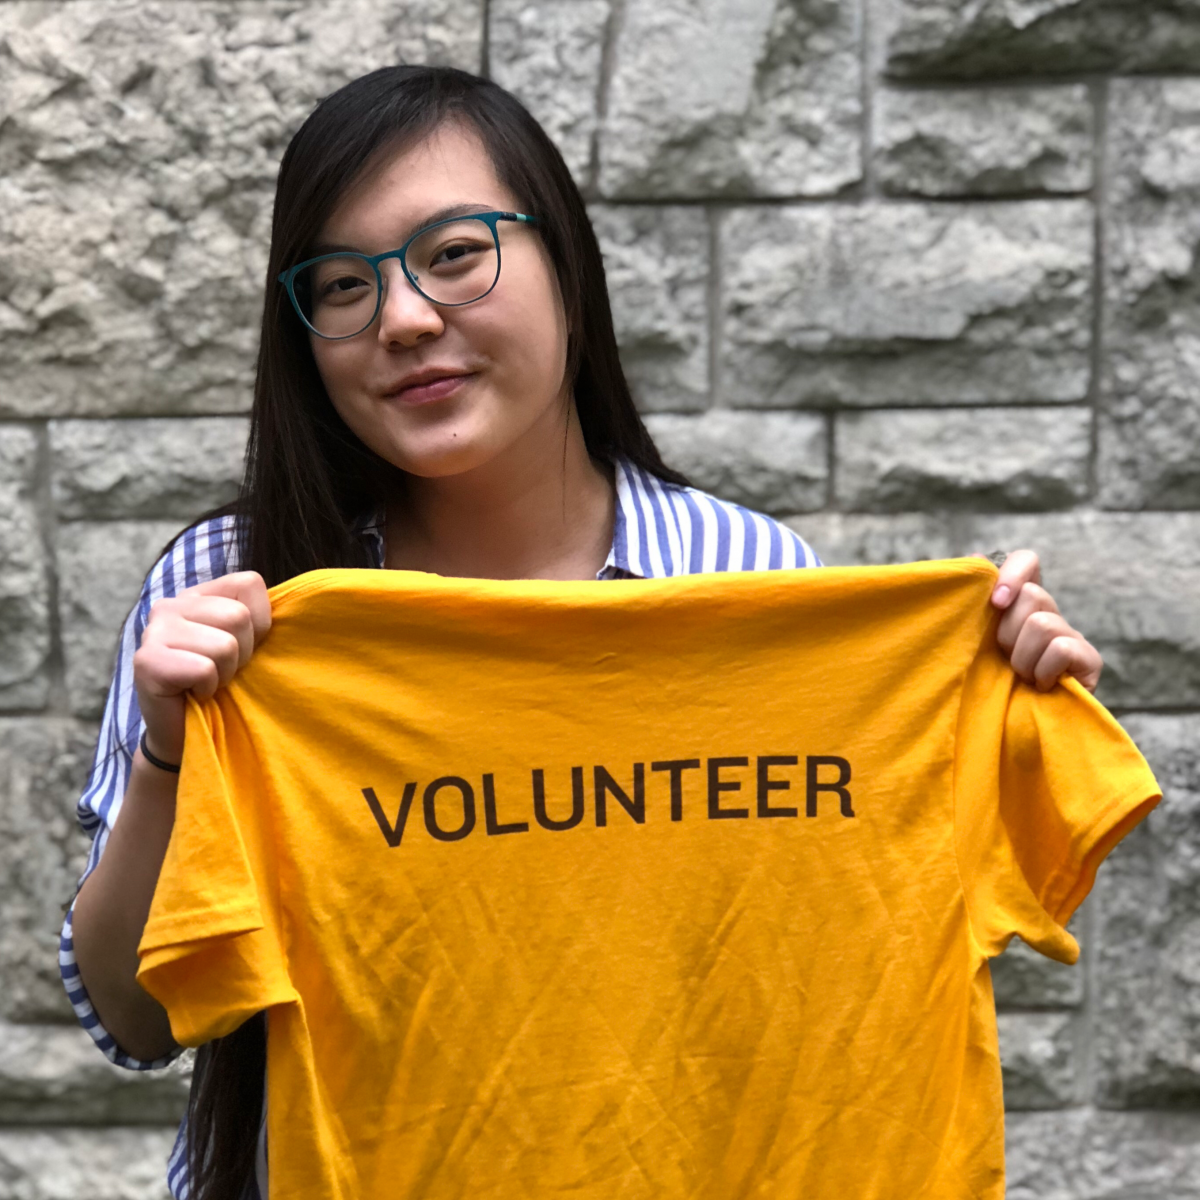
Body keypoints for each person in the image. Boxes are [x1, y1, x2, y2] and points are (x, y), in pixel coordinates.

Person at [60, 65, 1104, 1200]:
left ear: (566, 262)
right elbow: (137, 1018)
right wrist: (171, 750)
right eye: (342, 285)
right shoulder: (235, 594)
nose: (405, 319)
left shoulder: (752, 587)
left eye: (456, 252)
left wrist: (996, 704)